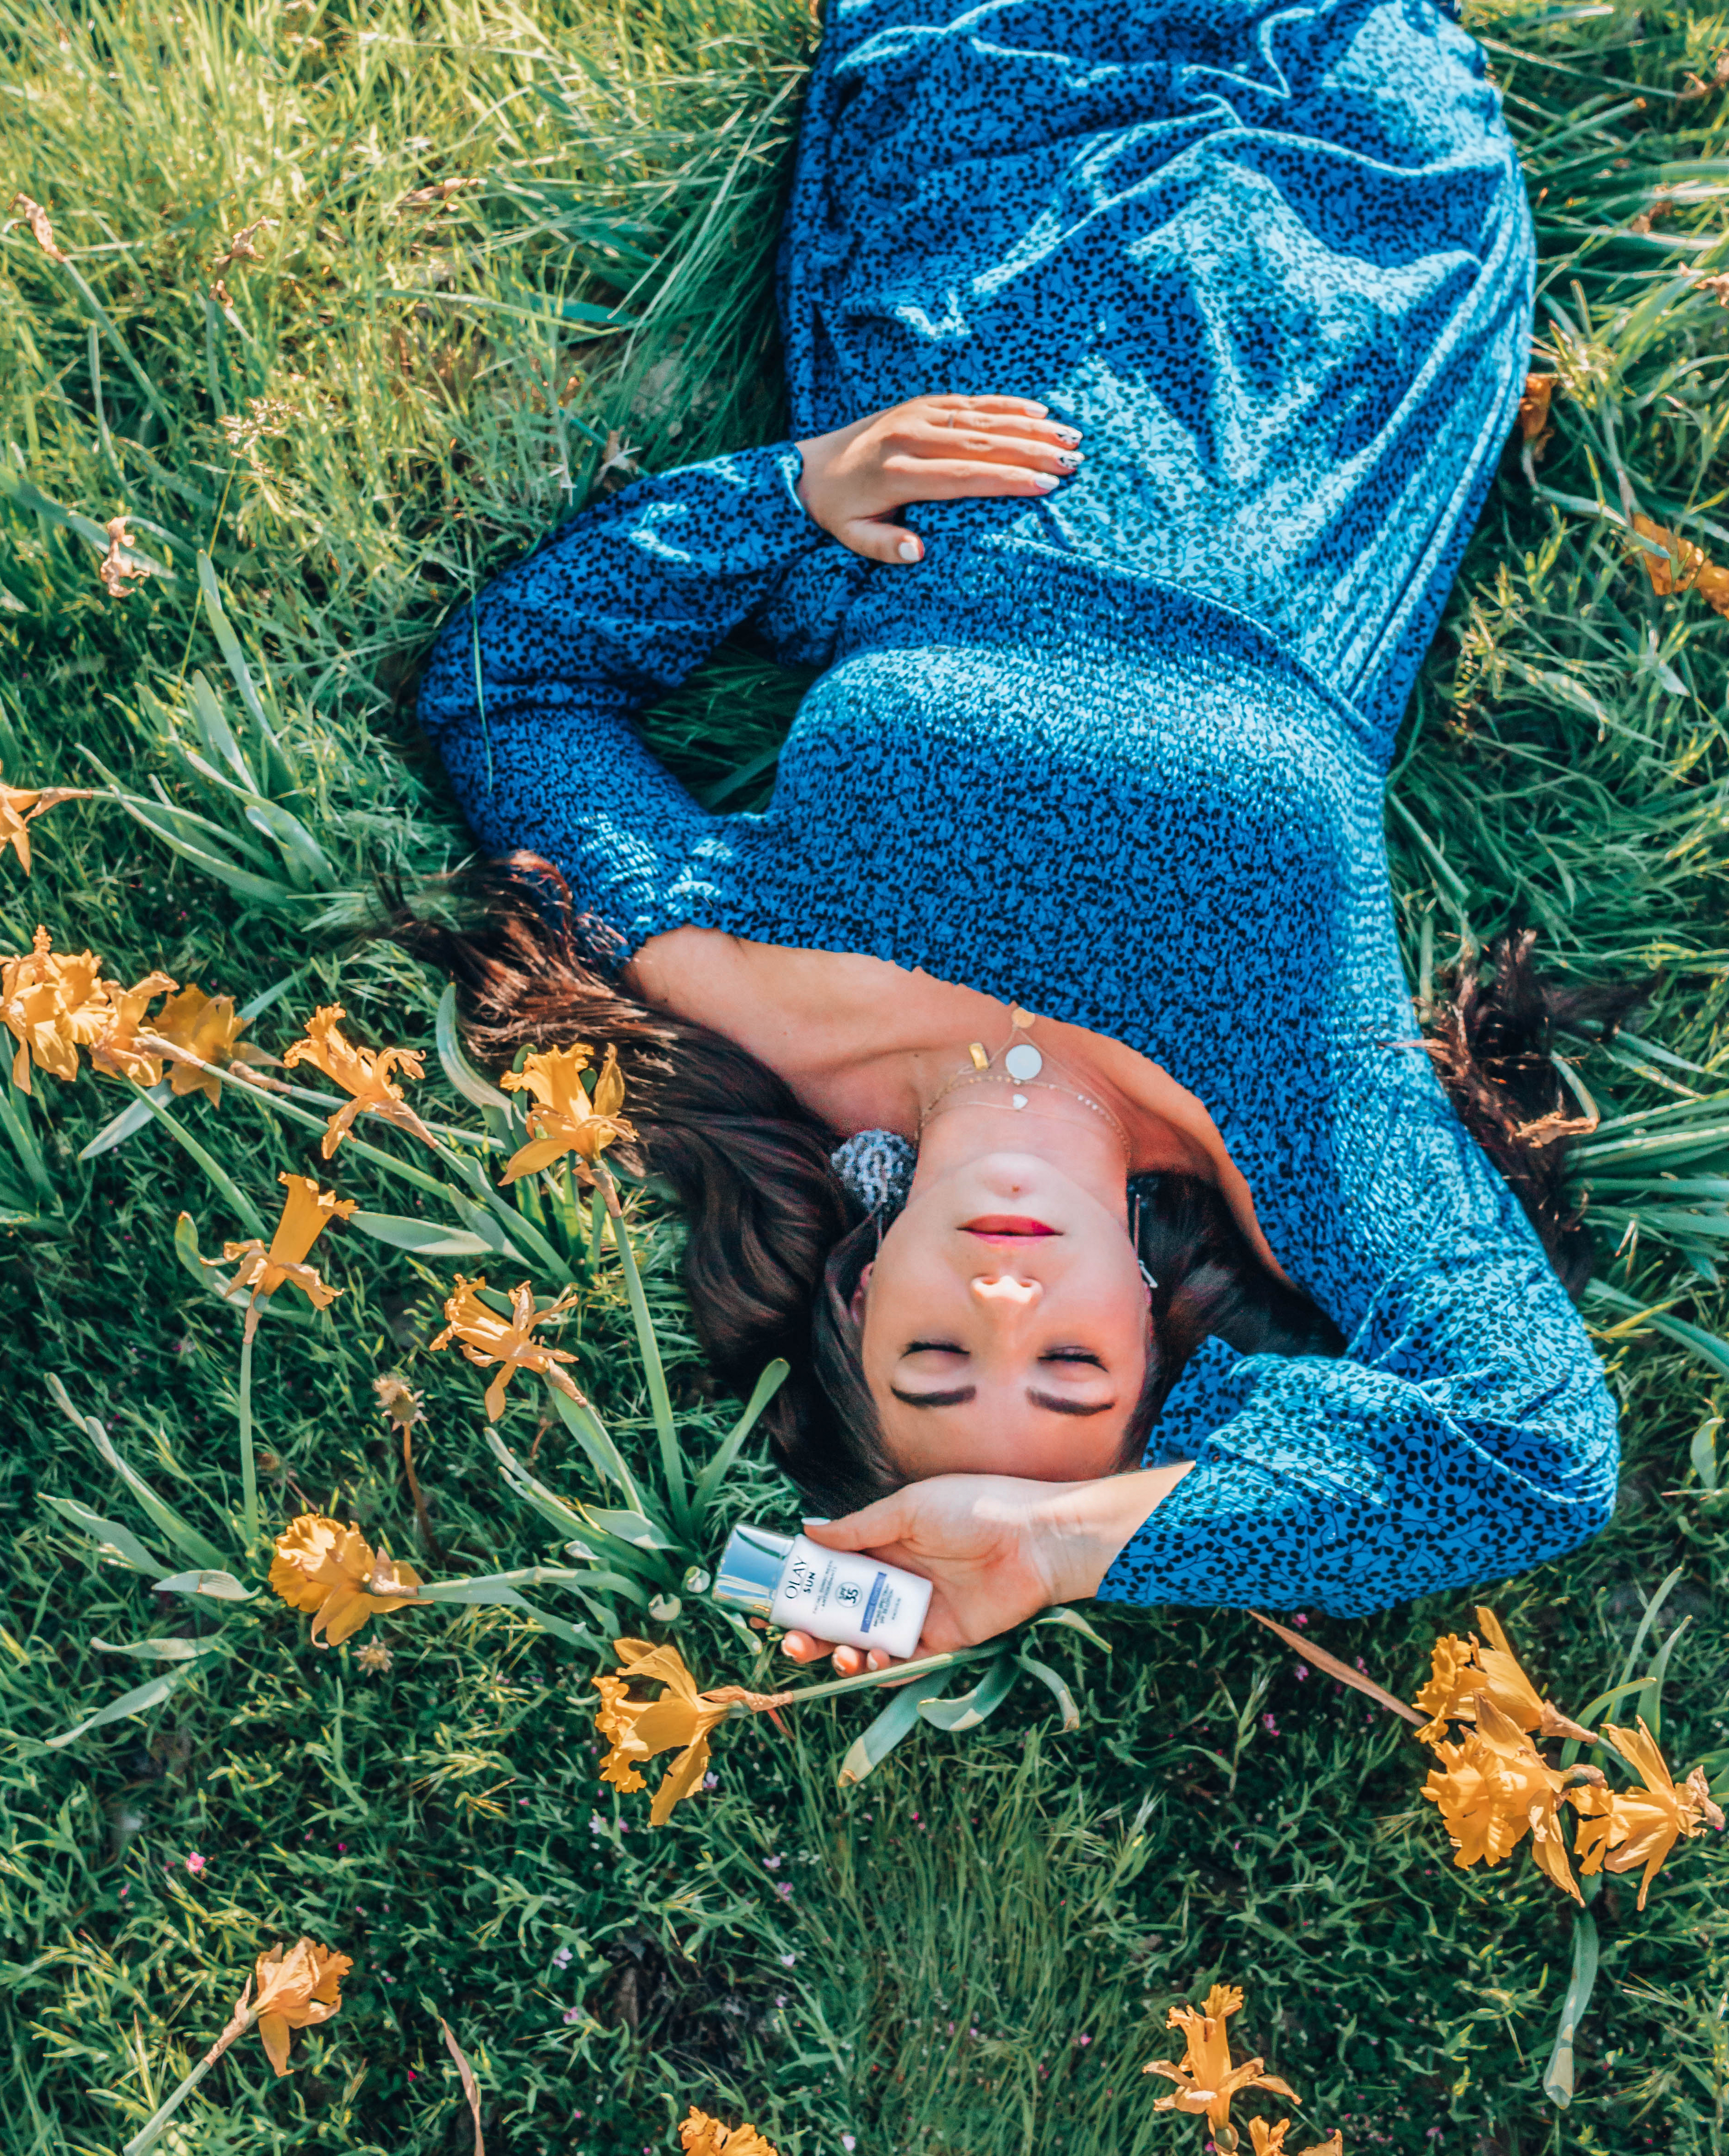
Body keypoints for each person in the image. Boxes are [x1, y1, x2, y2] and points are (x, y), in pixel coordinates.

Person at [414, 0, 1624, 1674]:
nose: (1003, 1311)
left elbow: (504, 690)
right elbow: (1536, 1454)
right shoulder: (1296, 1123)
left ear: (856, 1293)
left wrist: (782, 501)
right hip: (1348, 274)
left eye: (932, 1366)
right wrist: (1050, 1549)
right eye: (1068, 1371)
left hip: (993, 203)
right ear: (1152, 1327)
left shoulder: (749, 977)